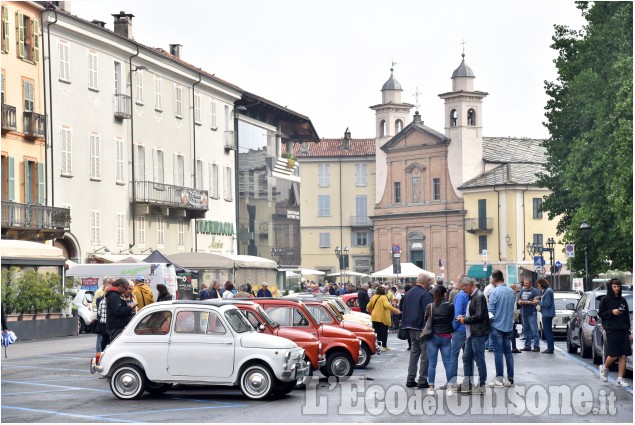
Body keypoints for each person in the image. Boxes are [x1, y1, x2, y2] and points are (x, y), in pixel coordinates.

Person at [457, 279, 490, 394]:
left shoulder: (478, 296)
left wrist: (464, 319)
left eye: (463, 288)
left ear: (468, 286)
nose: (462, 290)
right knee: (466, 357)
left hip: (478, 333)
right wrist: (464, 317)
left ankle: (481, 385)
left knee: (479, 358)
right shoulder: (474, 296)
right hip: (472, 333)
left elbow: (479, 315)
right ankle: (468, 383)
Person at [597, 278, 632, 387]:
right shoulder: (605, 300)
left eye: (618, 286)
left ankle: (620, 378)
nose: (617, 288)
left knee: (623, 355)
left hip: (623, 330)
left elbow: (626, 316)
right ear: (610, 287)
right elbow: (601, 314)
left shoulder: (623, 300)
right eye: (614, 286)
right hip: (611, 330)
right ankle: (604, 367)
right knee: (613, 354)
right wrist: (612, 312)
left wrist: (629, 332)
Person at [401, 273, 434, 388]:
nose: (430, 283)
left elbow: (403, 308)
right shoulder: (425, 294)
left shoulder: (409, 293)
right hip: (421, 328)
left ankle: (410, 378)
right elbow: (430, 312)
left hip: (410, 327)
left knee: (414, 354)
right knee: (425, 355)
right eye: (429, 281)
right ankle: (422, 379)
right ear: (426, 282)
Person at [487, 270, 516, 387]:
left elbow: (491, 311)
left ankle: (499, 378)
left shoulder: (494, 292)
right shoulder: (511, 291)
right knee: (508, 352)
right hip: (508, 325)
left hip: (497, 326)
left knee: (498, 352)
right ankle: (510, 377)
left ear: (494, 280)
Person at [426, 285, 455, 396]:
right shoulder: (450, 306)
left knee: (432, 363)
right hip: (446, 336)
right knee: (448, 363)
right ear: (444, 294)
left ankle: (431, 388)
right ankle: (450, 388)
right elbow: (451, 319)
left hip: (433, 336)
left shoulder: (430, 306)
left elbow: (426, 320)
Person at [449, 276, 469, 387]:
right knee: (467, 357)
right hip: (468, 329)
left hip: (460, 329)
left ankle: (452, 382)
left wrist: (453, 328)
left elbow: (457, 315)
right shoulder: (469, 295)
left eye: (458, 281)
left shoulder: (460, 296)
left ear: (462, 284)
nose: (456, 283)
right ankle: (468, 381)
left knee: (453, 355)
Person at [367, 286, 400, 351]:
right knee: (384, 332)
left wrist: (374, 309)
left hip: (374, 317)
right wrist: (396, 310)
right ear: (383, 291)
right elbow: (387, 305)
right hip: (382, 318)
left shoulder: (374, 297)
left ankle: (378, 346)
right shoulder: (384, 297)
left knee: (377, 333)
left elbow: (368, 306)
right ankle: (384, 346)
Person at [534, 278, 555, 354]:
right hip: (547, 313)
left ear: (542, 284)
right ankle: (550, 347)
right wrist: (539, 298)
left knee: (547, 331)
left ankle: (550, 348)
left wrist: (538, 301)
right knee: (548, 331)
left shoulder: (548, 291)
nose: (538, 286)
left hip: (547, 314)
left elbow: (547, 304)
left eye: (538, 285)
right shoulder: (546, 291)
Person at [518, 278, 540, 352]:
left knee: (534, 330)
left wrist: (526, 302)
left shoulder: (535, 291)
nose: (525, 285)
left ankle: (536, 346)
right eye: (524, 283)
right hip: (524, 313)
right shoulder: (522, 291)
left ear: (530, 283)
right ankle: (527, 346)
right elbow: (519, 300)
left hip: (531, 313)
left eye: (526, 283)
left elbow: (536, 302)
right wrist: (519, 302)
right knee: (526, 331)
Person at [95, 278, 114, 353]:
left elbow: (99, 312)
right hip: (109, 323)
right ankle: (108, 352)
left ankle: (101, 353)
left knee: (103, 339)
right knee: (110, 339)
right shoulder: (111, 301)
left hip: (102, 323)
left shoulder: (102, 301)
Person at [508, 284, 522, 354]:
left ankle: (513, 347)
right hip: (511, 316)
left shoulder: (511, 295)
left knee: (512, 332)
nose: (517, 290)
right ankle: (513, 347)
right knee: (512, 332)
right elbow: (513, 308)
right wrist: (515, 316)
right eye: (516, 289)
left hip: (510, 316)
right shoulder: (512, 296)